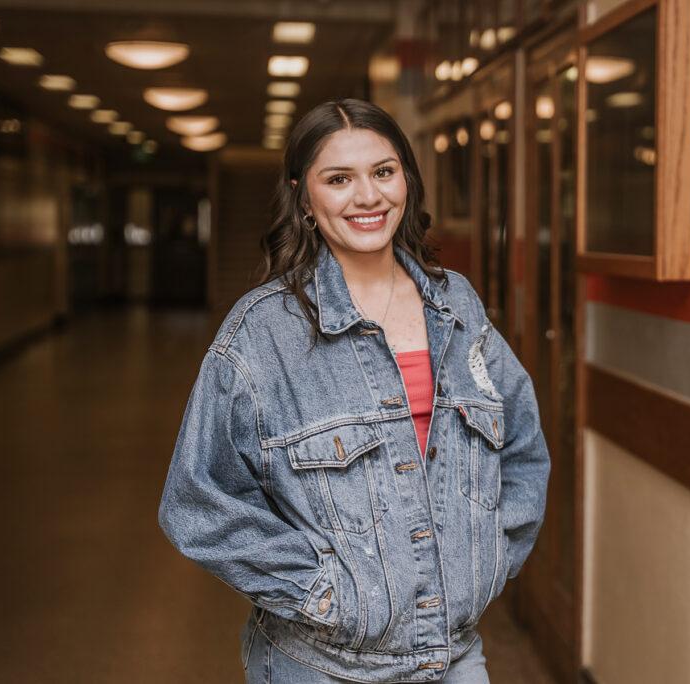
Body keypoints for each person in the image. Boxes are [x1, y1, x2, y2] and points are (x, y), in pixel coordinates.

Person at [158, 98, 551, 683]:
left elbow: (521, 446)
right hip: (321, 665)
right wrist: (322, 594)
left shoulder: (457, 306)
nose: (368, 197)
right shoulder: (262, 332)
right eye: (339, 179)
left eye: (383, 172)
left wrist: (485, 560)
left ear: (407, 182)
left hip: (456, 657)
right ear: (304, 196)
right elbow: (197, 501)